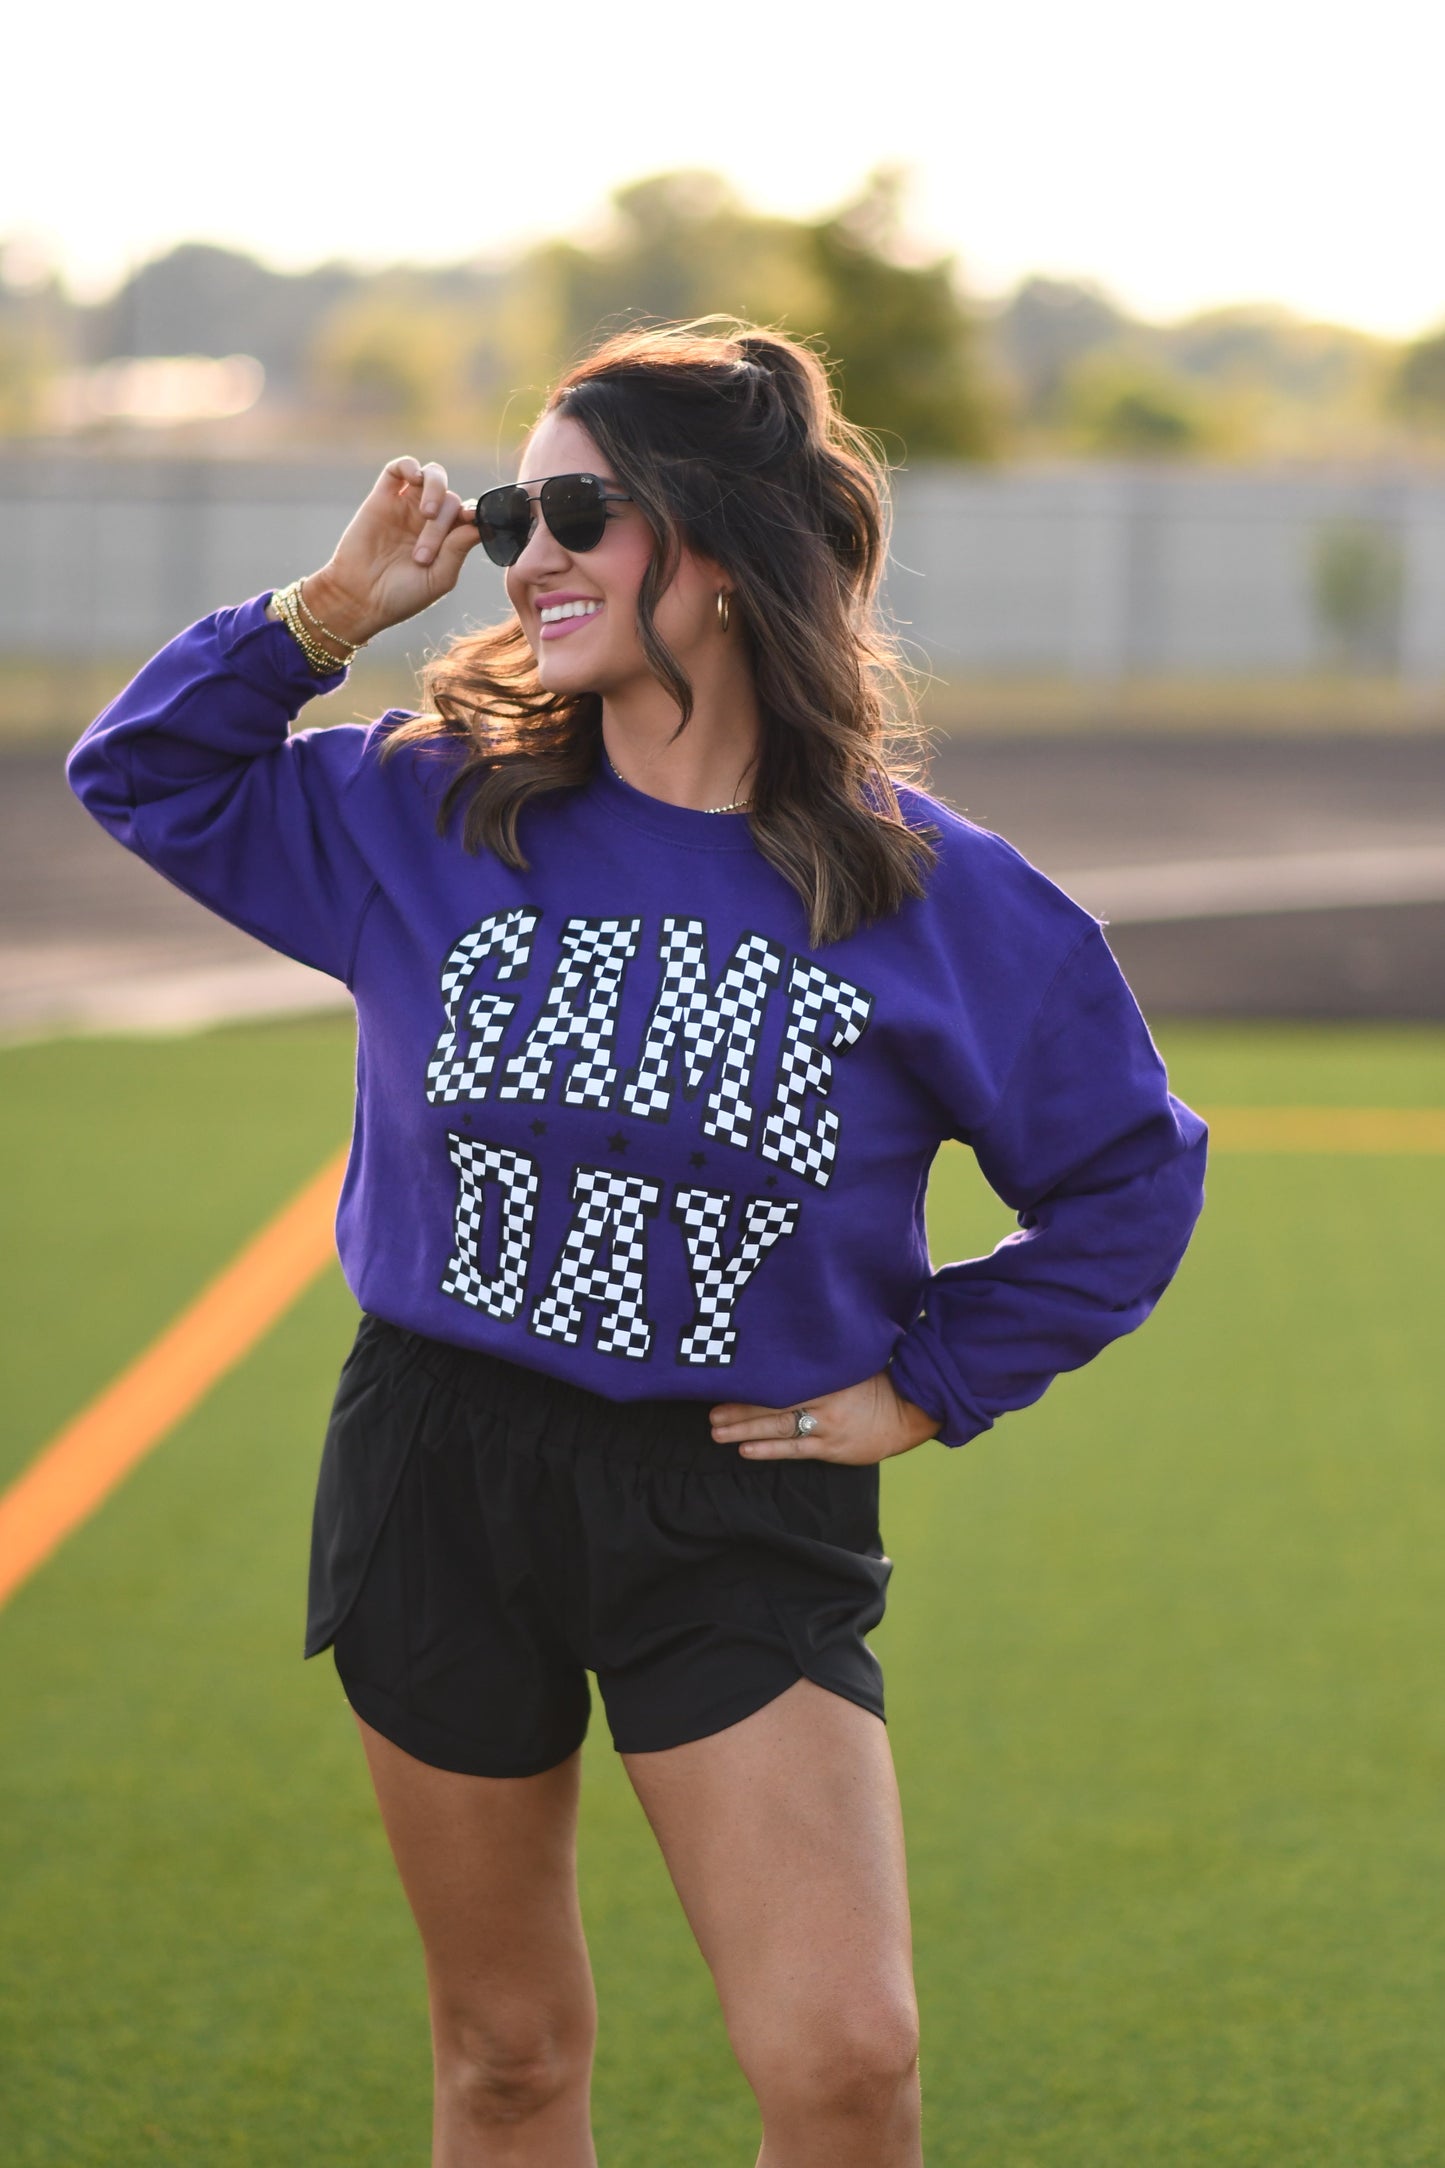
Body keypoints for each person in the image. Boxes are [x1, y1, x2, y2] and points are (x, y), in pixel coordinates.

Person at [68, 320, 1208, 2168]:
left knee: (846, 2066)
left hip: (731, 1506)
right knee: (507, 2061)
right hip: (441, 1466)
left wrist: (926, 1388)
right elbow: (149, 777)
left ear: (731, 545)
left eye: (580, 509)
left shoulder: (934, 897)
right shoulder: (425, 808)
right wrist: (331, 608)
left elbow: (1131, 1180)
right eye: (522, 507)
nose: (529, 555)